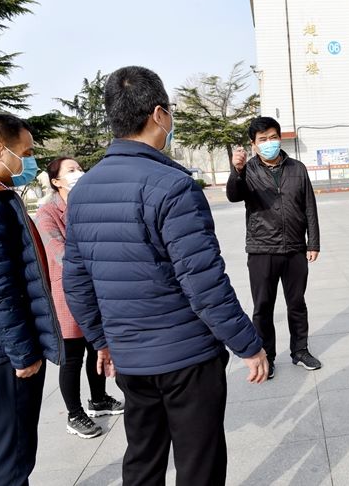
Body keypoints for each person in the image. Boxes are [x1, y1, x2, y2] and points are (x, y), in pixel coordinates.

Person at [63, 66, 268, 486]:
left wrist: (101, 340)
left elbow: (76, 282)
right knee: (198, 462)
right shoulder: (173, 186)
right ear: (159, 114)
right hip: (187, 356)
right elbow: (203, 282)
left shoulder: (82, 191)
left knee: (143, 458)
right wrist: (248, 344)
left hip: (130, 357)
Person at [0, 113, 64, 485]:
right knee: (13, 457)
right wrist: (23, 354)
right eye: (27, 152)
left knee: (5, 446)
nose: (30, 160)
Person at [35, 156, 124, 439]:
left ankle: (98, 400)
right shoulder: (47, 214)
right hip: (66, 292)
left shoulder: (87, 204)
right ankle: (74, 414)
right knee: (72, 356)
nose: (79, 173)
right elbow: (60, 254)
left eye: (80, 168)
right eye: (71, 170)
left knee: (97, 346)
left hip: (95, 287)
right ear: (56, 181)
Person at [227, 116, 321, 379]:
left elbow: (309, 206)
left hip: (295, 248)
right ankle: (267, 355)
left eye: (272, 137)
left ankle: (300, 350)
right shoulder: (248, 170)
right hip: (262, 249)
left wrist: (313, 242)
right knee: (263, 307)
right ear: (254, 144)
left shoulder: (297, 168)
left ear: (279, 138)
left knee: (297, 304)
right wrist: (236, 171)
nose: (269, 142)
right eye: (262, 139)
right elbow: (233, 195)